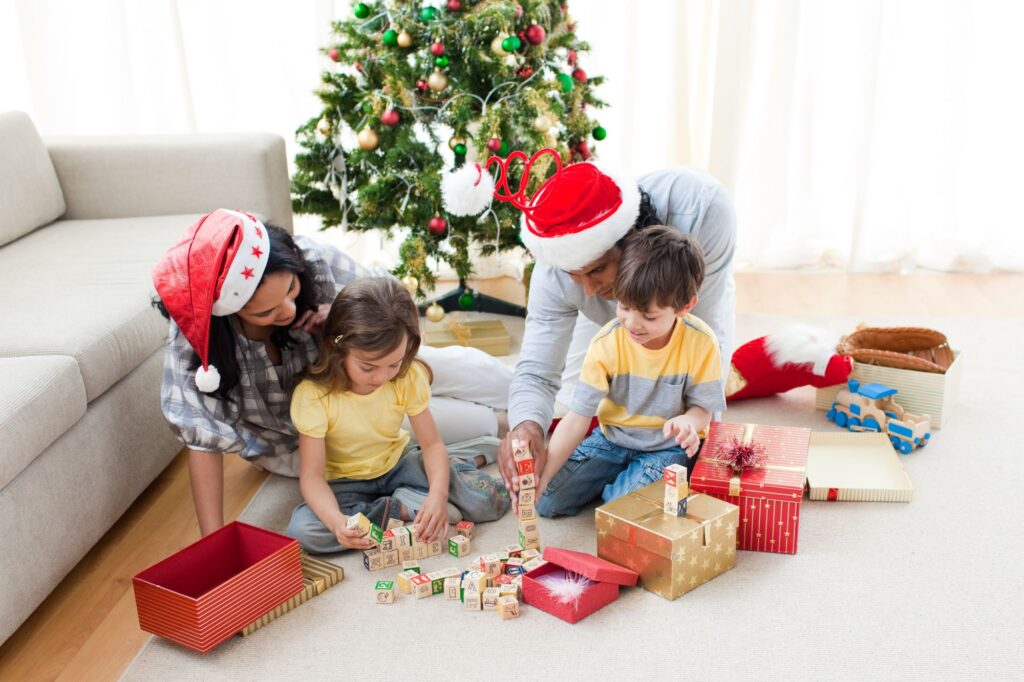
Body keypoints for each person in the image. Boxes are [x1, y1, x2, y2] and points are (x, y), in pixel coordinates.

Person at [152, 209, 511, 536]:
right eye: (266, 312)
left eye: (292, 290)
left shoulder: (313, 261)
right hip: (314, 437)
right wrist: (214, 542)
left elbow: (393, 303)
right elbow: (202, 438)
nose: (290, 311)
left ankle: (527, 409)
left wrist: (336, 320)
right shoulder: (200, 341)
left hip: (377, 368)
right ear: (230, 312)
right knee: (483, 423)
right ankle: (430, 482)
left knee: (484, 379)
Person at [441, 148, 736, 507]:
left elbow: (694, 347)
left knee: (684, 376)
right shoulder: (558, 272)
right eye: (573, 275)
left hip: (687, 264)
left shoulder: (703, 209)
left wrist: (693, 429)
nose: (591, 290)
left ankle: (659, 466)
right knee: (581, 388)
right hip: (619, 390)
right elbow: (537, 371)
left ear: (631, 239)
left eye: (596, 269)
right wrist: (526, 427)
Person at [285, 277, 509, 553]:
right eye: (368, 367)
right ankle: (397, 506)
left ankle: (434, 484)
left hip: (399, 463)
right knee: (304, 531)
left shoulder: (406, 376)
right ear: (337, 347)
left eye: (393, 363)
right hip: (344, 484)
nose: (382, 377)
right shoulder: (313, 396)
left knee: (490, 500)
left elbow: (431, 445)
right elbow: (312, 477)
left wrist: (438, 497)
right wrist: (337, 524)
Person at [534, 226, 725, 516]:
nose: (632, 323)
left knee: (622, 514)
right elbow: (577, 419)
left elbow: (704, 409)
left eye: (648, 316)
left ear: (685, 307)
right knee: (547, 501)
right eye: (623, 307)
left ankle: (622, 490)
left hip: (665, 448)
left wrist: (688, 421)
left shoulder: (702, 342)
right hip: (612, 439)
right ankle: (621, 483)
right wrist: (544, 476)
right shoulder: (607, 343)